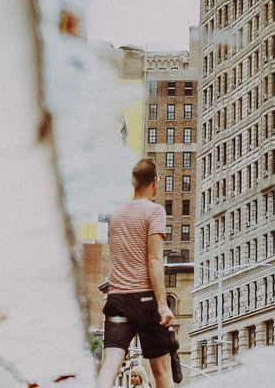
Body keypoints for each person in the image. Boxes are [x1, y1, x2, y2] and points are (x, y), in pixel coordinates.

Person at [97, 158, 175, 388]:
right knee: (160, 370)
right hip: (145, 300)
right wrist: (162, 304)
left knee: (110, 364)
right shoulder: (154, 212)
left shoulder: (116, 214)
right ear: (156, 181)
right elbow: (154, 259)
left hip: (117, 299)